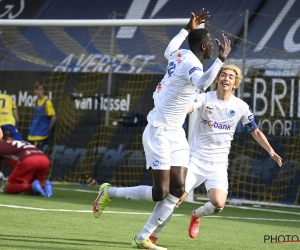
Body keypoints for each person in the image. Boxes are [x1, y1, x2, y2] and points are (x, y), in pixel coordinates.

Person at [93, 8, 232, 250]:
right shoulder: (191, 64)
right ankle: (109, 192)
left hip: (176, 132)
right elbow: (202, 82)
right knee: (161, 192)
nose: (212, 45)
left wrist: (187, 29)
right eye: (209, 42)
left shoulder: (178, 55)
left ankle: (143, 237)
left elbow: (168, 49)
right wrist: (221, 60)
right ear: (204, 47)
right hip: (159, 129)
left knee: (178, 190)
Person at [148, 65, 283, 243]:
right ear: (217, 79)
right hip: (194, 159)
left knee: (218, 204)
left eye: (230, 77)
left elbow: (255, 132)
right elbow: (190, 107)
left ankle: (196, 215)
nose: (226, 79)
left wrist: (271, 151)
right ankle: (152, 236)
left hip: (218, 164)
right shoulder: (205, 98)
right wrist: (180, 110)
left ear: (235, 83)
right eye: (223, 75)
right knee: (176, 198)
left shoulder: (240, 106)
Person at [0, 129, 53, 197]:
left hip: (29, 161)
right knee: (29, 192)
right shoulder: (20, 142)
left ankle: (31, 186)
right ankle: (44, 186)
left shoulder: (2, 146)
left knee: (7, 188)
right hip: (44, 159)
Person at [28, 81, 57, 152]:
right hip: (33, 133)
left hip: (42, 134)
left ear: (43, 90)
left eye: (40, 89)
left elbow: (53, 118)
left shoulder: (47, 102)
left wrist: (48, 129)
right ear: (34, 91)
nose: (38, 92)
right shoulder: (36, 101)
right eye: (37, 89)